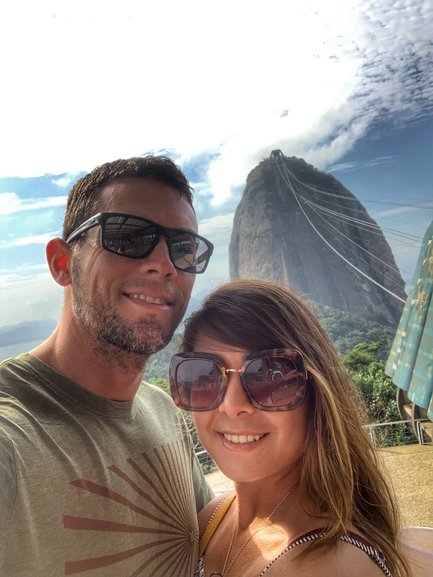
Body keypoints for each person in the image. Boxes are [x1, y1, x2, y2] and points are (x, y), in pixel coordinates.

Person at [0, 156, 215, 577]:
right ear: (63, 264)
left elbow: (216, 537)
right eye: (129, 235)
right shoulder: (14, 437)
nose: (164, 263)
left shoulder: (162, 410)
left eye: (184, 247)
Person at [169, 279, 413, 577]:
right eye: (204, 376)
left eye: (270, 377)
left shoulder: (334, 568)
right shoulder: (212, 519)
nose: (232, 405)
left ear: (317, 393)